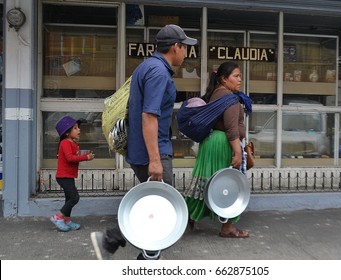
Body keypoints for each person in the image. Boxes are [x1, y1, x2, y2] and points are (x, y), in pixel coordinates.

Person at [90, 24, 197, 260]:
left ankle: (123, 248)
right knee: (162, 208)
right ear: (175, 47)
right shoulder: (158, 73)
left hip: (142, 149)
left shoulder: (147, 67)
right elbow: (149, 116)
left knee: (154, 206)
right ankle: (117, 245)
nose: (187, 52)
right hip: (153, 152)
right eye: (185, 47)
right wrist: (156, 160)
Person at [183, 61, 251, 238]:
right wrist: (237, 152)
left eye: (240, 76)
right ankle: (227, 228)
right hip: (224, 144)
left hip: (211, 142)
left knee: (205, 182)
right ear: (223, 78)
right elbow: (231, 128)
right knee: (232, 184)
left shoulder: (217, 93)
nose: (240, 79)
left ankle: (188, 214)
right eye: (236, 76)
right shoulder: (229, 97)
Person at [50, 116, 95, 232]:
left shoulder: (73, 143)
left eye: (78, 128)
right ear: (66, 133)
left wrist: (83, 155)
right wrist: (86, 157)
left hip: (68, 176)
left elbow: (73, 156)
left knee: (68, 198)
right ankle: (58, 217)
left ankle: (67, 220)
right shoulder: (65, 143)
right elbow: (70, 158)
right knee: (74, 198)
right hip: (63, 176)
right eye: (75, 128)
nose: (79, 130)